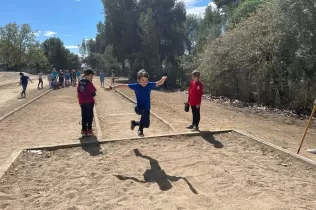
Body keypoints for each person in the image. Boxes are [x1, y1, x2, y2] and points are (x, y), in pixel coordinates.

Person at [106, 69, 167, 137]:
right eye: (143, 80)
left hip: (147, 108)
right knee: (144, 112)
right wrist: (112, 87)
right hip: (139, 108)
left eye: (146, 80)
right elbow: (123, 86)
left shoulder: (149, 85)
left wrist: (163, 79)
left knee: (146, 125)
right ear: (138, 80)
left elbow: (159, 83)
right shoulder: (136, 86)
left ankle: (134, 123)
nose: (145, 82)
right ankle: (140, 130)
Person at [77, 69, 97, 136]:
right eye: (91, 76)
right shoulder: (89, 83)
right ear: (86, 75)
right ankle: (89, 130)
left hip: (82, 101)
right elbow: (93, 93)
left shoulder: (80, 82)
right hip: (89, 101)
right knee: (89, 116)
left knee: (84, 116)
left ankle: (83, 130)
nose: (92, 77)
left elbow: (78, 91)